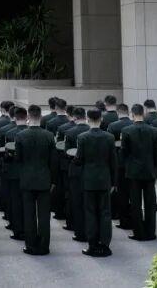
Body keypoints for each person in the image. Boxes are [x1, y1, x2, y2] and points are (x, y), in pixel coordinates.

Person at [75, 108, 117, 258]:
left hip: (89, 180)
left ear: (87, 119)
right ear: (101, 119)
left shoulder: (82, 137)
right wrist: (114, 182)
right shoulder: (109, 137)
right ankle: (105, 245)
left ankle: (92, 245)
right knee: (105, 213)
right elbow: (113, 161)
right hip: (105, 179)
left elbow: (79, 160)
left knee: (90, 212)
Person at [16, 104, 54, 256]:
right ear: (41, 116)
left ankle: (31, 245)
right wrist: (53, 180)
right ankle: (44, 246)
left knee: (29, 214)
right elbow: (53, 161)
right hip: (44, 178)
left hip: (27, 178)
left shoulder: (20, 136)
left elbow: (18, 159)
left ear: (28, 117)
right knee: (44, 216)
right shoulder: (49, 135)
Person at [121, 104, 157, 241]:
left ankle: (138, 232)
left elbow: (124, 152)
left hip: (133, 171)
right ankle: (150, 232)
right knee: (150, 203)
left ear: (132, 114)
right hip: (149, 170)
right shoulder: (154, 130)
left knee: (135, 203)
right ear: (143, 114)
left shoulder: (126, 130)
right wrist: (156, 169)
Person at [60, 106, 91, 239]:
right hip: (90, 171)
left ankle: (78, 230)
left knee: (76, 201)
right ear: (85, 116)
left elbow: (66, 153)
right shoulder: (92, 130)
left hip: (75, 171)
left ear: (74, 117)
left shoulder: (69, 132)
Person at [0, 106, 28, 241]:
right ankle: (30, 230)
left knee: (15, 202)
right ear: (27, 117)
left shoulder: (9, 133)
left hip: (13, 172)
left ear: (14, 118)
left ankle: (17, 229)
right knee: (28, 204)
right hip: (29, 173)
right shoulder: (34, 133)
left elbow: (2, 153)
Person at [107, 103, 133, 229]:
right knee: (133, 193)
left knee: (121, 193)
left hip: (119, 162)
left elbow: (109, 145)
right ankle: (134, 216)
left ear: (118, 112)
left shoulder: (113, 126)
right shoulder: (133, 125)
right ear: (128, 112)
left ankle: (123, 219)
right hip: (133, 163)